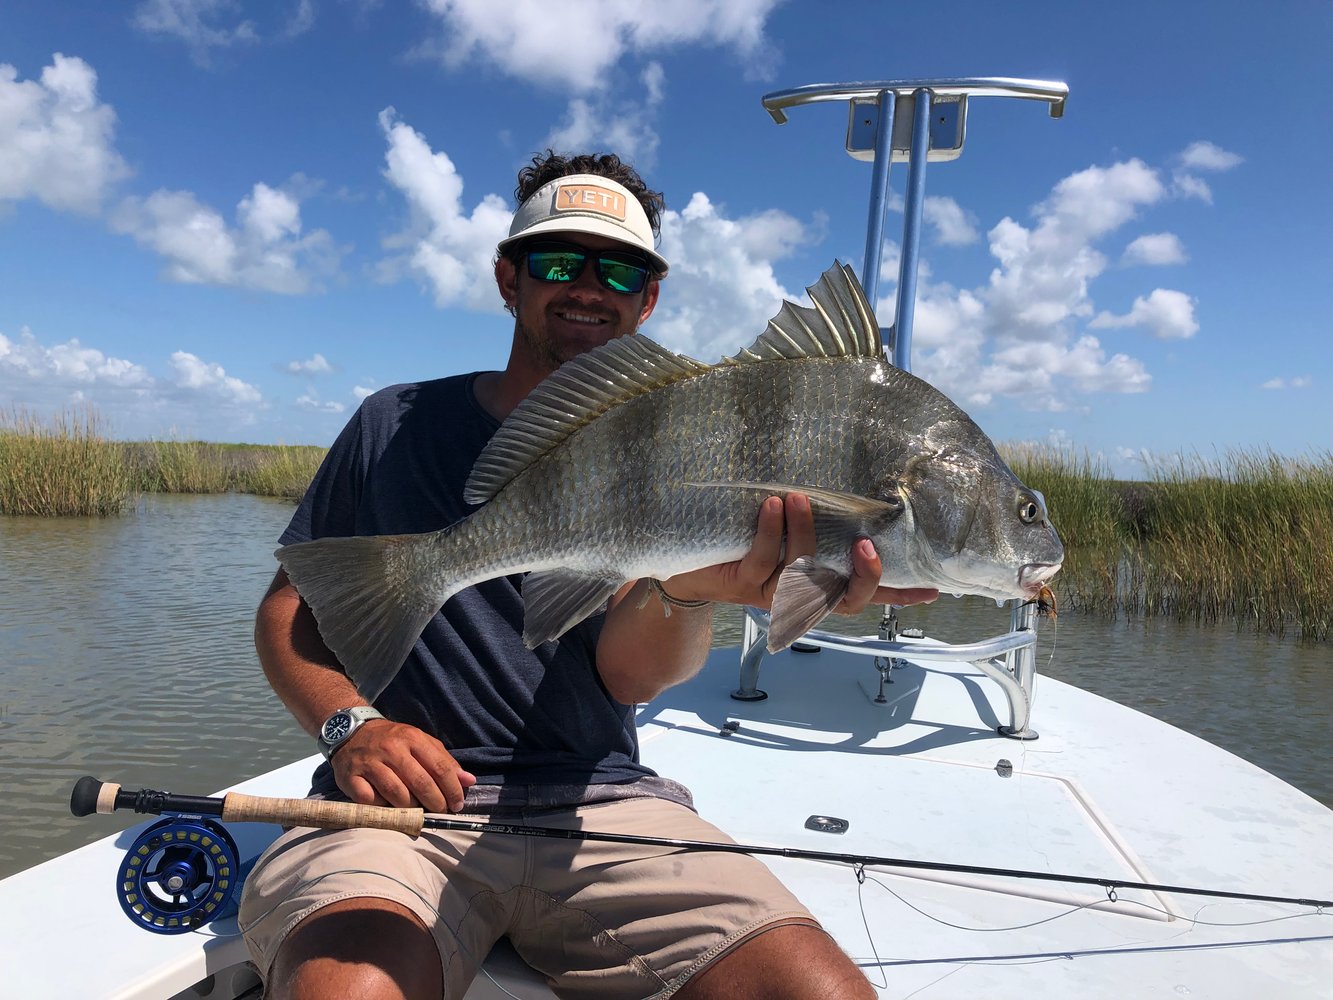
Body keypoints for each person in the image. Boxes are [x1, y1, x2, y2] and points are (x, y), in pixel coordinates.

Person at [239, 150, 938, 1000]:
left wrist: (693, 587)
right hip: (403, 810)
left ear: (647, 298)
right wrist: (350, 728)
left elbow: (627, 673)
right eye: (560, 261)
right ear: (509, 277)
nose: (586, 286)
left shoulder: (681, 439)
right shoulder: (390, 424)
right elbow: (289, 614)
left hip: (602, 804)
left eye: (618, 269)